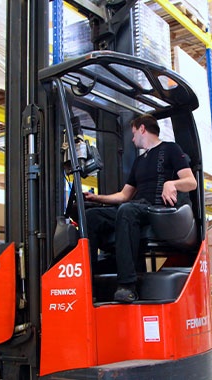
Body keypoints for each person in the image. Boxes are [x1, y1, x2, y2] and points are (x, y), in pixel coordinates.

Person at [84, 114, 197, 303]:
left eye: (134, 133)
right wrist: (97, 198)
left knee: (127, 211)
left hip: (157, 210)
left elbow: (191, 182)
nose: (133, 138)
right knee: (91, 217)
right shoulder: (139, 161)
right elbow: (124, 195)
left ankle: (127, 286)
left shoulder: (170, 149)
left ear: (142, 128)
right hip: (137, 207)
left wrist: (172, 184)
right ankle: (89, 281)